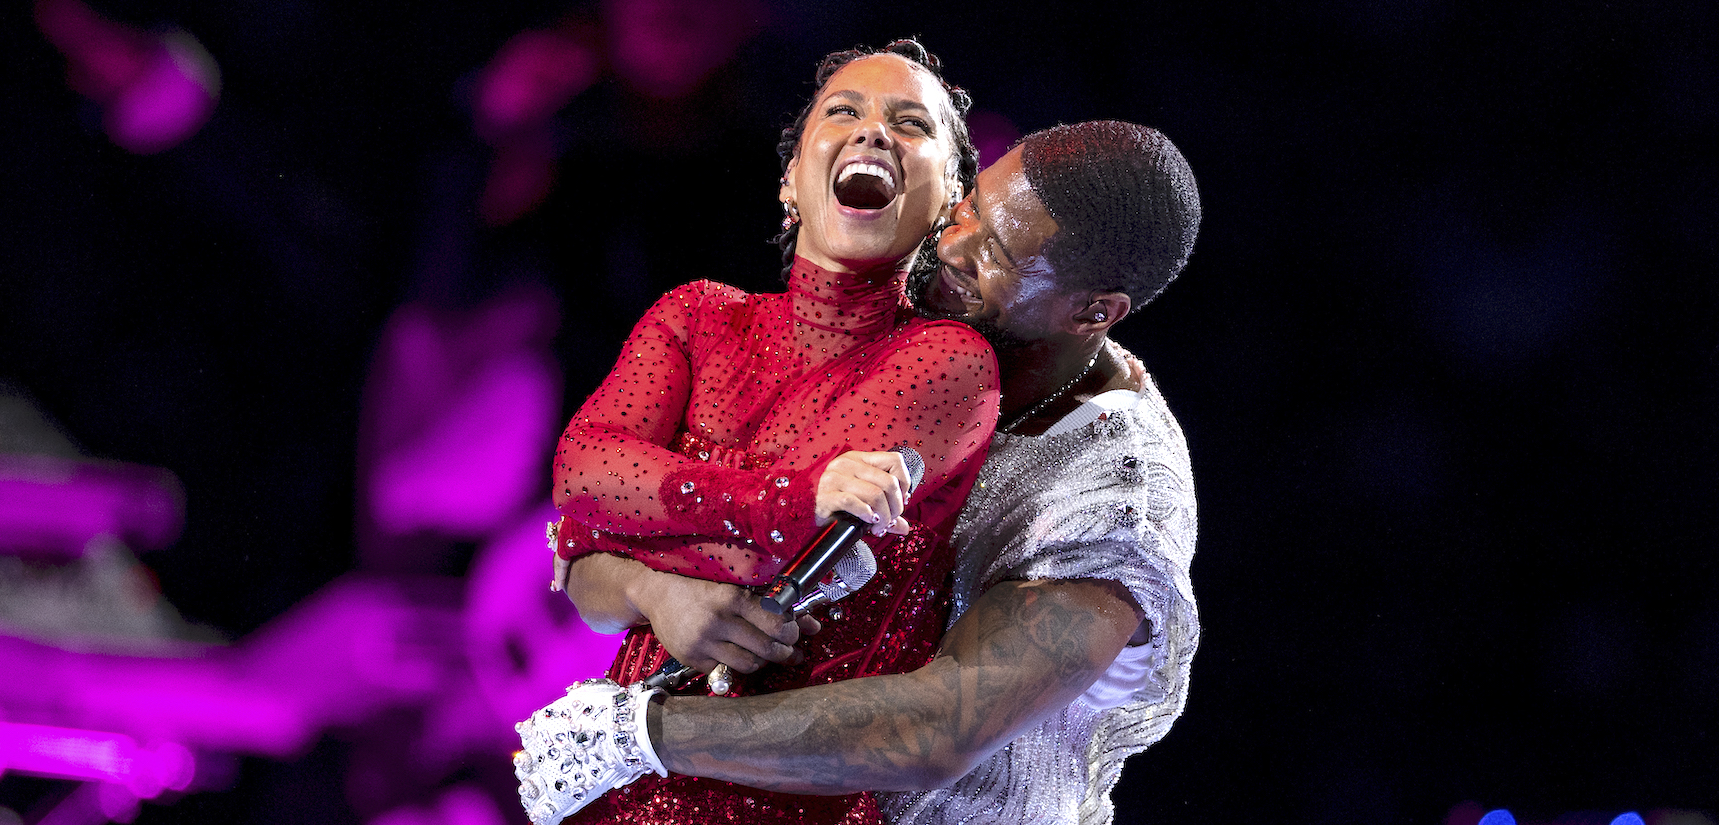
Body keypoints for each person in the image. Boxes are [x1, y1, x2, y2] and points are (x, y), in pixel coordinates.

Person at [536, 120, 1203, 825]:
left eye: (996, 254)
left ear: (1094, 311)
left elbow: (937, 729)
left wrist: (640, 733)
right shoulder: (903, 315)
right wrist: (653, 588)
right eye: (972, 205)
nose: (950, 245)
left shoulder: (1118, 506)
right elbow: (592, 531)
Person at [515, 40, 1002, 825]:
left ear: (950, 200)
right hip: (621, 786)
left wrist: (606, 548)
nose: (874, 131)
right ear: (790, 179)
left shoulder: (947, 360)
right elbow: (581, 476)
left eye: (910, 125)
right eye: (844, 111)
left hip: (790, 799)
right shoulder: (696, 316)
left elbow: (768, 561)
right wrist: (651, 589)